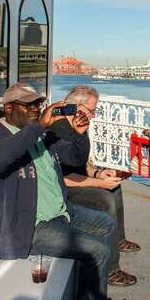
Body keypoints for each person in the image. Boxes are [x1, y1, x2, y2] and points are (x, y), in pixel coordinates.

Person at [0, 82, 150, 300]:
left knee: (106, 224)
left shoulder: (38, 133)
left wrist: (81, 134)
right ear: (8, 108)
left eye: (38, 104)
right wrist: (40, 125)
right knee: (97, 250)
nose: (35, 108)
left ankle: (92, 299)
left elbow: (74, 158)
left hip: (61, 212)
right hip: (31, 228)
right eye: (28, 105)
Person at [58, 86, 141, 287]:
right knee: (106, 199)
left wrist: (98, 173)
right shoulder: (57, 130)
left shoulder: (77, 124)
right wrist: (99, 183)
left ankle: (118, 240)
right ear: (78, 106)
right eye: (92, 110)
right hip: (65, 187)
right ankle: (111, 269)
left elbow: (82, 162)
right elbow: (61, 177)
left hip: (77, 179)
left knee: (115, 188)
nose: (94, 115)